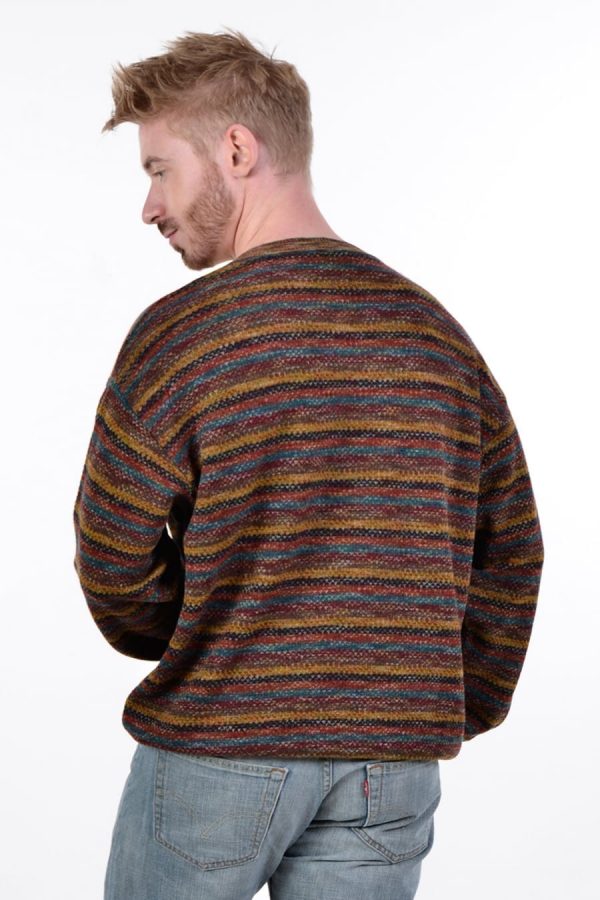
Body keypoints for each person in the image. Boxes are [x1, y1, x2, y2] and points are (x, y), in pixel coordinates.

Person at [73, 28, 545, 900]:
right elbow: (512, 551)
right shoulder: (436, 339)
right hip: (390, 766)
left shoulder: (182, 337)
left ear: (237, 150)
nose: (149, 206)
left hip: (223, 743)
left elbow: (110, 553)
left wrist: (204, 632)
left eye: (159, 170)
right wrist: (438, 697)